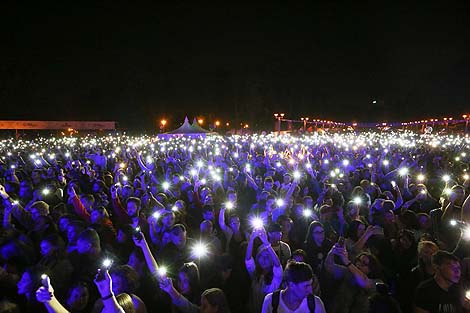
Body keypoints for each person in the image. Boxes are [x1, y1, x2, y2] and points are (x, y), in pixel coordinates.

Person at [261, 261, 326, 313]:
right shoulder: (271, 301)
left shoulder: (315, 304)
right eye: (306, 286)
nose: (310, 291)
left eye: (310, 285)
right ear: (291, 285)